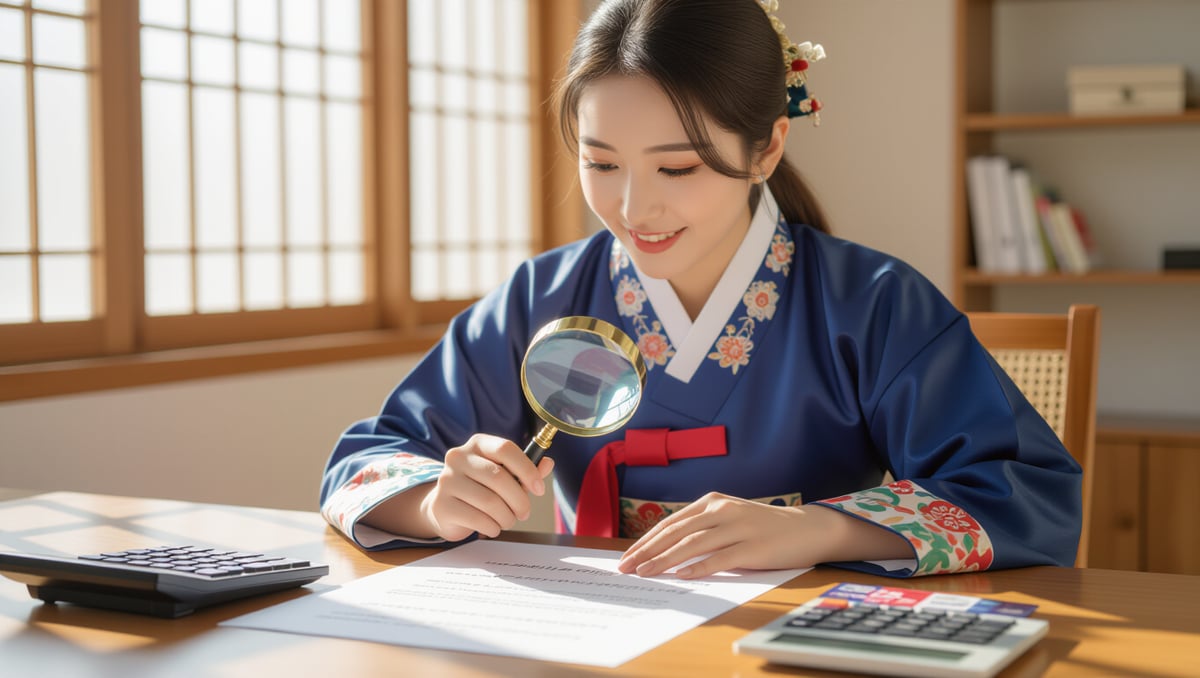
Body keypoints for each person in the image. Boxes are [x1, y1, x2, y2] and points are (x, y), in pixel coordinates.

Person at [320, 0, 1081, 580]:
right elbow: (373, 456)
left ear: (768, 146)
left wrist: (824, 529)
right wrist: (434, 500)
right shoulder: (540, 297)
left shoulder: (874, 304)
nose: (631, 208)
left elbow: (1024, 492)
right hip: (594, 633)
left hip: (794, 635)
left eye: (676, 168)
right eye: (601, 162)